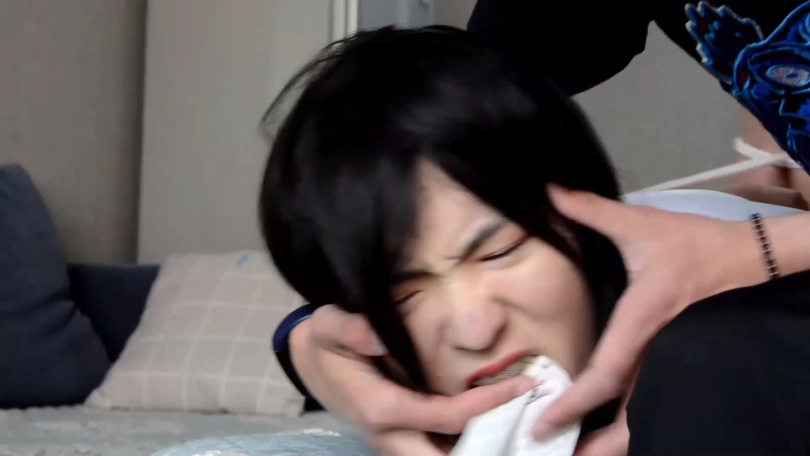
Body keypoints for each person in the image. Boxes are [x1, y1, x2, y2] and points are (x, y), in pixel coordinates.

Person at [261, 26, 810, 455]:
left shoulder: (716, 347)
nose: (476, 329)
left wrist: (764, 248)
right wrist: (299, 341)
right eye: (405, 293)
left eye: (499, 252)